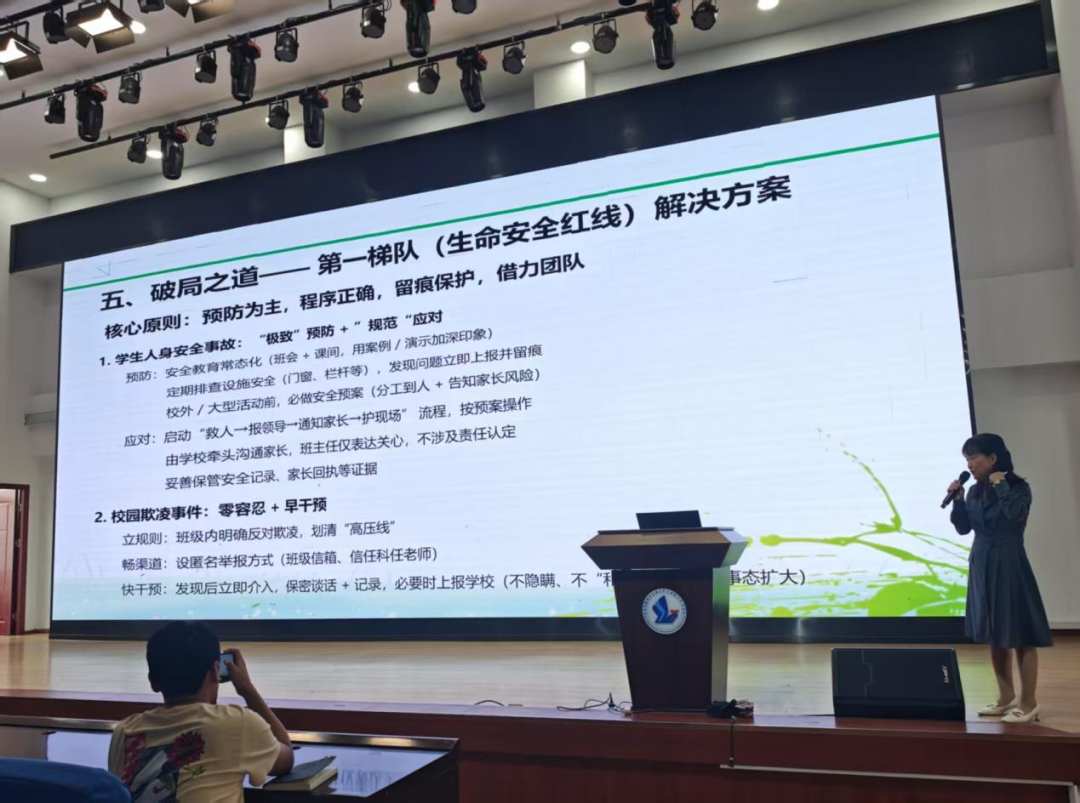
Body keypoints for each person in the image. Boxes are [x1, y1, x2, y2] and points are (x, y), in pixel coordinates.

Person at [108, 621, 294, 802]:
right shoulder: (236, 724)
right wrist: (246, 688)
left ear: (153, 681)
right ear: (215, 671)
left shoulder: (125, 731)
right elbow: (286, 757)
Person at [948, 433, 1052, 724]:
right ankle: (1006, 696)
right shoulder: (973, 491)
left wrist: (1000, 484)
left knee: (1021, 634)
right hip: (981, 562)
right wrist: (958, 501)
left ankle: (1029, 703)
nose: (969, 464)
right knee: (995, 633)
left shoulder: (1019, 487)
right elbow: (963, 529)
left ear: (993, 458)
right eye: (966, 459)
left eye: (973, 457)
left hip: (1008, 562)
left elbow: (1016, 515)